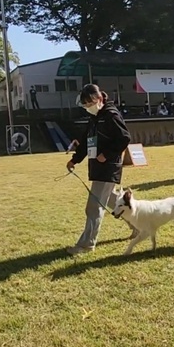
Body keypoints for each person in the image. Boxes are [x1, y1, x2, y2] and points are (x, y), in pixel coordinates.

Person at [66, 84, 133, 255]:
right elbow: (86, 141)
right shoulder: (94, 118)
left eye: (90, 103)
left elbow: (124, 138)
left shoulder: (111, 115)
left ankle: (86, 245)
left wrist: (107, 155)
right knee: (114, 201)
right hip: (97, 167)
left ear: (100, 99)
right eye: (85, 105)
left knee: (94, 206)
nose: (88, 107)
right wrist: (75, 160)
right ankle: (138, 225)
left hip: (108, 168)